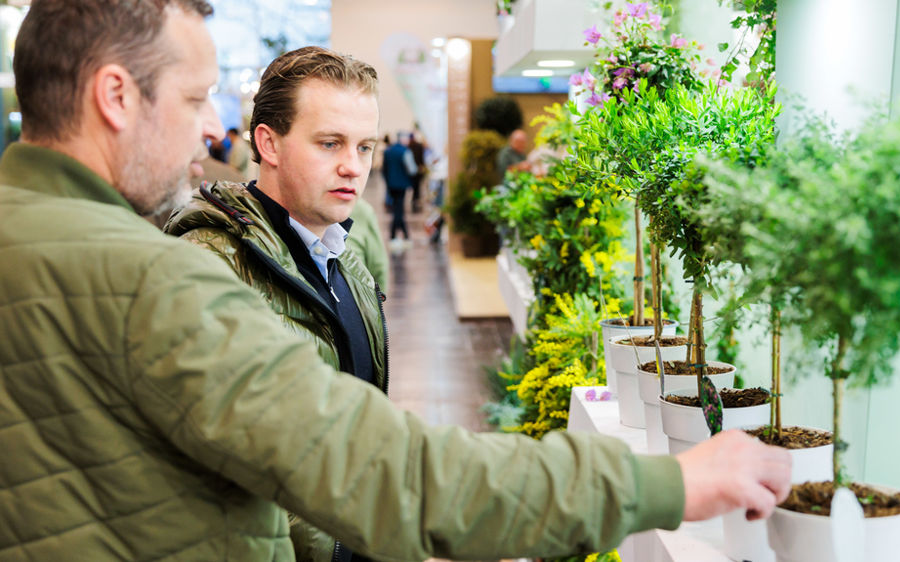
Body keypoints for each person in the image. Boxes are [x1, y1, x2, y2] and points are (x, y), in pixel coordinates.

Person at [0, 1, 792, 561]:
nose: (214, 129)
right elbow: (385, 467)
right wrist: (663, 484)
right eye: (196, 97)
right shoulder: (161, 278)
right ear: (113, 95)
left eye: (365, 144)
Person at [163, 48, 390, 561]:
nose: (352, 167)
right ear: (269, 143)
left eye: (365, 147)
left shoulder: (345, 258)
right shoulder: (208, 265)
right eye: (330, 143)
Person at [381, 131, 417, 250]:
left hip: (391, 185)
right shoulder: (405, 152)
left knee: (397, 208)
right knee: (399, 211)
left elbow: (384, 169)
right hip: (402, 185)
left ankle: (404, 235)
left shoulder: (388, 151)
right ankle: (395, 235)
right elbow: (412, 169)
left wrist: (388, 181)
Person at [407, 130, 427, 212]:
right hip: (418, 168)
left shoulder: (408, 147)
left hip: (412, 170)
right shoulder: (419, 146)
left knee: (414, 185)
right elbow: (422, 158)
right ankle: (416, 199)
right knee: (417, 185)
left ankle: (414, 199)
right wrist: (422, 166)